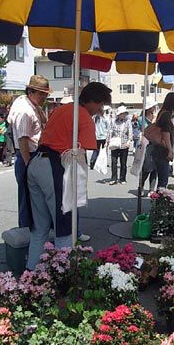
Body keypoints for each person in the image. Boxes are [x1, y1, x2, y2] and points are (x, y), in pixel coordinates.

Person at [26, 82, 112, 270]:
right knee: (64, 225)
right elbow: (85, 149)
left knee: (39, 228)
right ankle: (62, 275)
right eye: (100, 105)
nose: (100, 109)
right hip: (52, 167)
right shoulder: (84, 117)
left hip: (36, 164)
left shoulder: (61, 109)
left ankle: (31, 273)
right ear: (93, 101)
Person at [8, 75, 49, 228]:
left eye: (45, 93)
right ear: (31, 91)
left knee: (34, 195)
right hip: (28, 155)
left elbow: (44, 123)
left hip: (33, 154)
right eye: (41, 93)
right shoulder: (24, 110)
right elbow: (22, 140)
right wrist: (28, 163)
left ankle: (33, 227)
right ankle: (26, 228)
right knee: (27, 195)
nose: (44, 96)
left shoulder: (31, 105)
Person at [152, 92, 174, 189]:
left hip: (158, 149)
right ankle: (159, 200)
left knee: (162, 177)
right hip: (162, 150)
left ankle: (158, 199)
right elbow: (166, 133)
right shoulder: (166, 115)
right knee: (163, 179)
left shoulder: (162, 112)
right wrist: (170, 150)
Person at [108, 105, 133, 185]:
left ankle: (122, 178)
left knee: (123, 162)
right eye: (122, 113)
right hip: (115, 143)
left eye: (124, 113)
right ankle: (114, 178)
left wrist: (129, 141)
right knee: (114, 161)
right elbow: (110, 131)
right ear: (119, 114)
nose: (124, 115)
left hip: (124, 144)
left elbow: (130, 132)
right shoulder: (113, 121)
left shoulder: (127, 121)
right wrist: (107, 141)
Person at [139, 100, 158, 193]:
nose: (154, 108)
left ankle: (151, 189)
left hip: (156, 144)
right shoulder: (141, 119)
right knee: (146, 167)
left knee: (155, 168)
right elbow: (145, 131)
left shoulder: (156, 117)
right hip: (146, 145)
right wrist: (153, 122)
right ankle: (141, 186)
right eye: (153, 106)